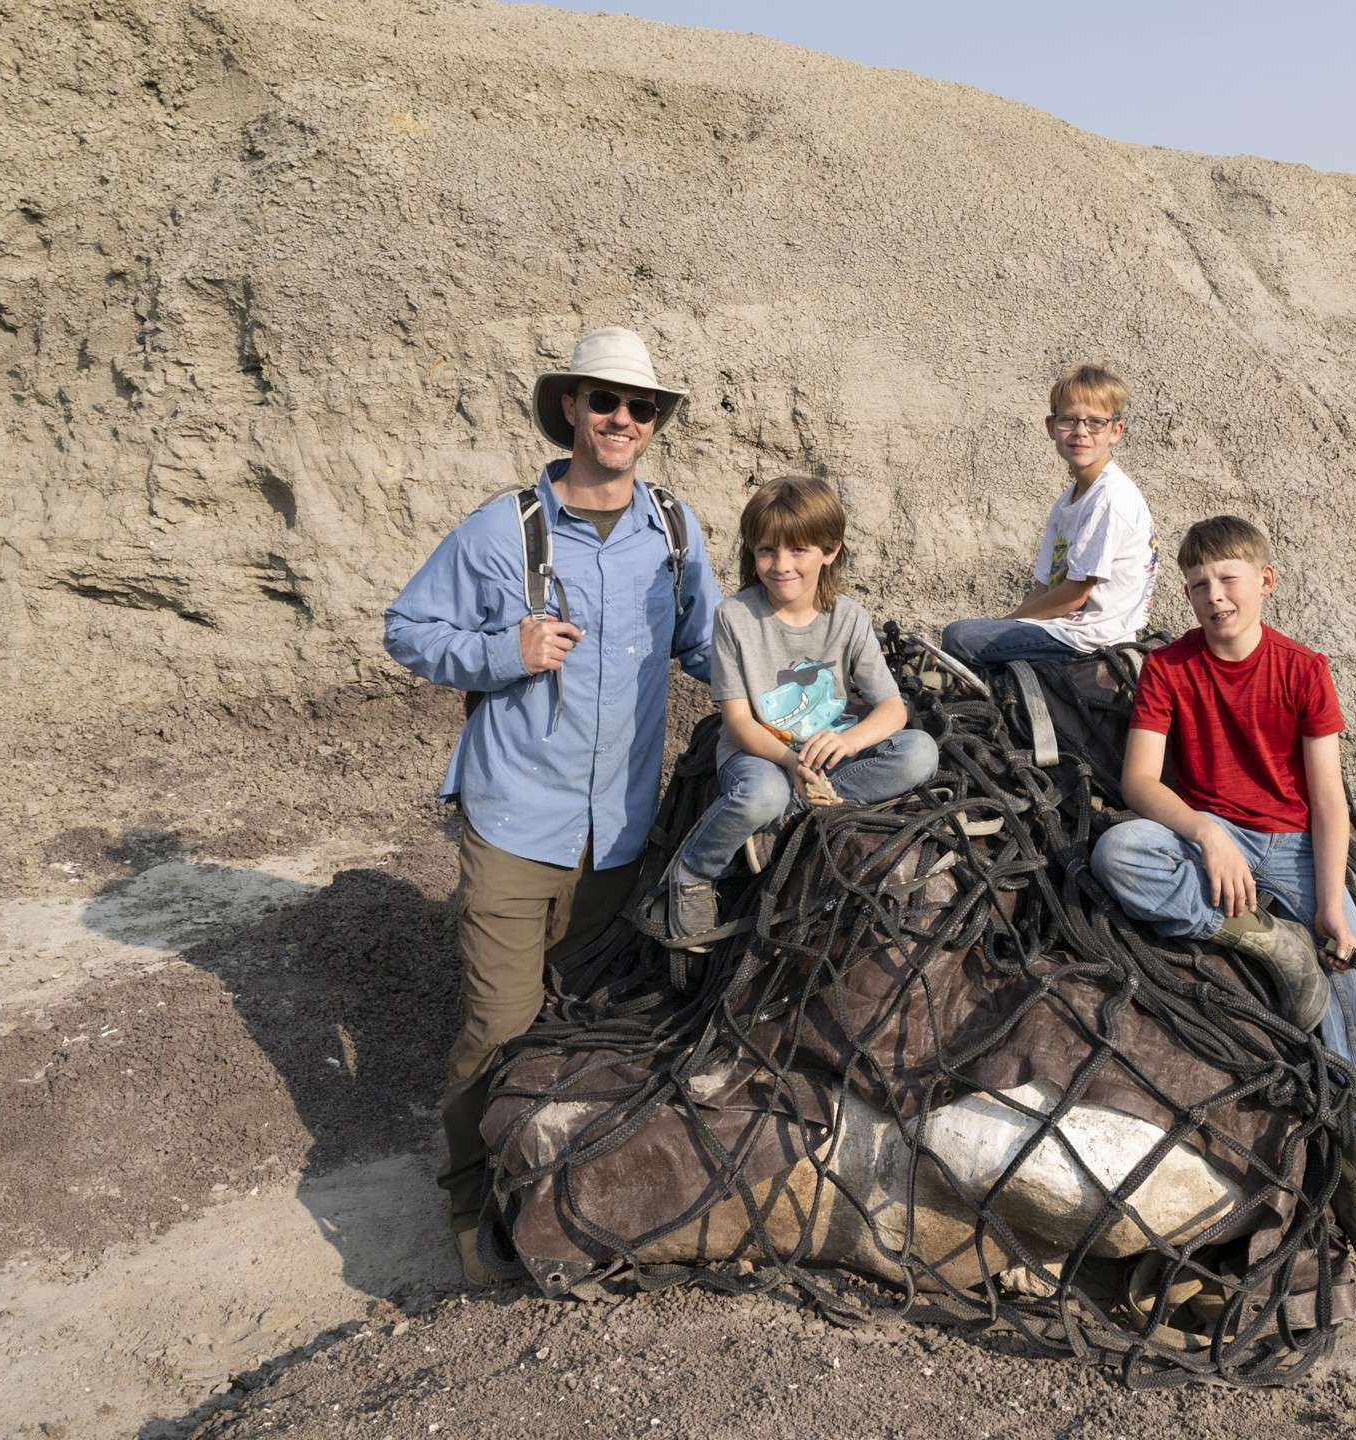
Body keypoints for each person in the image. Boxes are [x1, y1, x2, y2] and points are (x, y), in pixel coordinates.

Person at [383, 327, 721, 1283]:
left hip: (619, 835)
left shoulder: (674, 532)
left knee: (581, 1025)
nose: (622, 419)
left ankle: (556, 1195)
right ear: (570, 406)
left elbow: (707, 648)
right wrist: (504, 653)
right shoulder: (503, 530)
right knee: (500, 1028)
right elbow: (406, 628)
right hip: (515, 823)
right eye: (604, 400)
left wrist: (805, 691)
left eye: (640, 406)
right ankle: (467, 1206)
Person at [1087, 515, 1356, 1286]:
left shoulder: (1303, 670)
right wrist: (1206, 830)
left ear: (1265, 581)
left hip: (1294, 846)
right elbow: (1139, 781)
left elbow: (1328, 801)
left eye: (1228, 579)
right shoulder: (1170, 669)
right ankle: (1265, 938)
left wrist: (1329, 903)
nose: (1214, 596)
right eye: (1198, 585)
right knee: (1118, 853)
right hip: (1214, 836)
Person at [664, 475, 939, 940]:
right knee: (762, 796)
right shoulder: (734, 617)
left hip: (827, 754)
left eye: (798, 551)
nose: (781, 565)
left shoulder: (849, 618)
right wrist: (791, 763)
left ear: (830, 551)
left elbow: (893, 708)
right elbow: (738, 721)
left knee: (920, 752)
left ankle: (792, 815)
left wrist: (848, 742)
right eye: (767, 551)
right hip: (761, 753)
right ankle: (693, 871)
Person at [941, 363, 1157, 667]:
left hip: (1091, 638)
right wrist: (1002, 625)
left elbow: (1074, 596)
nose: (1081, 432)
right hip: (1062, 629)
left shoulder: (1110, 497)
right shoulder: (1068, 501)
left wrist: (1005, 625)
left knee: (960, 636)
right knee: (969, 632)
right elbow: (1044, 589)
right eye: (1069, 420)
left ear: (1115, 431)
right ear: (1051, 426)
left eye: (1096, 422)